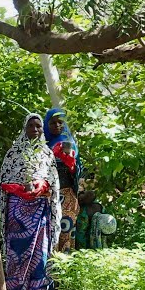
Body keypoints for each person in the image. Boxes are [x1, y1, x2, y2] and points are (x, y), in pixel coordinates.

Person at [0, 113, 61, 290]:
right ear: (24, 128)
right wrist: (17, 189)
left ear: (43, 130)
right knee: (17, 252)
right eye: (31, 126)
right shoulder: (14, 153)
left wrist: (42, 186)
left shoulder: (47, 154)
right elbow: (2, 181)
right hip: (17, 211)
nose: (35, 129)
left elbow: (54, 182)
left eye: (38, 126)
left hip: (39, 210)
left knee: (39, 253)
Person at [44, 108, 85, 252]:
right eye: (52, 123)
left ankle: (64, 269)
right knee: (47, 234)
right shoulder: (41, 145)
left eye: (60, 122)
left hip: (67, 197)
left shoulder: (70, 144)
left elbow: (78, 173)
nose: (57, 125)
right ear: (46, 124)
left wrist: (69, 161)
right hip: (47, 197)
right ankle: (47, 270)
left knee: (66, 232)